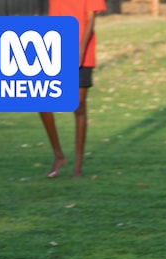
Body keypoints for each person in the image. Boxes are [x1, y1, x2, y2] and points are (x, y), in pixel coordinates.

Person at [40, 0, 106, 179]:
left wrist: (80, 50)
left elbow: (91, 19)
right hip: (55, 48)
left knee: (78, 106)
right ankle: (58, 156)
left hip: (82, 52)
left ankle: (78, 166)